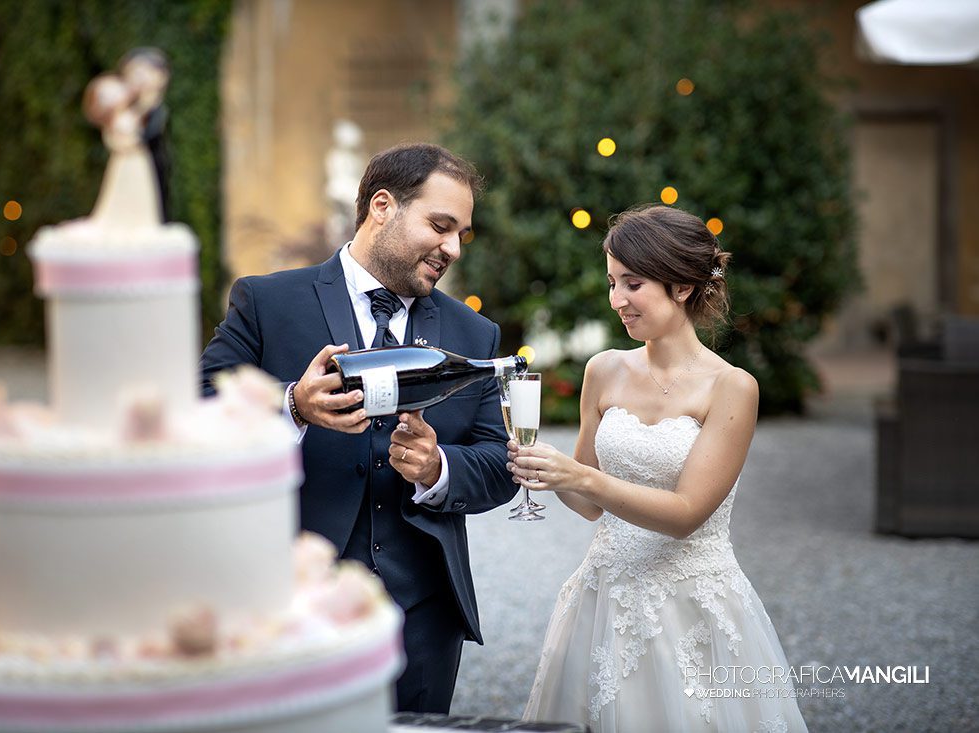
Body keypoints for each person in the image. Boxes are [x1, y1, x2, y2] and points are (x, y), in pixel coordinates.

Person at [199, 142, 517, 713]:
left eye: (461, 235)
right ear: (382, 206)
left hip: (421, 620)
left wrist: (438, 467)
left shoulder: (474, 335)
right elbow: (199, 408)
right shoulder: (267, 302)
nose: (451, 248)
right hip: (287, 605)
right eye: (440, 226)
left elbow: (499, 464)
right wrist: (292, 404)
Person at [510, 205, 807, 732]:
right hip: (600, 598)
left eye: (633, 283)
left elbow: (687, 513)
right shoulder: (603, 370)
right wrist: (544, 473)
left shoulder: (731, 387)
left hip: (692, 604)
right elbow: (587, 506)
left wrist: (579, 476)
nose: (617, 300)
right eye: (612, 283)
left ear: (683, 287)